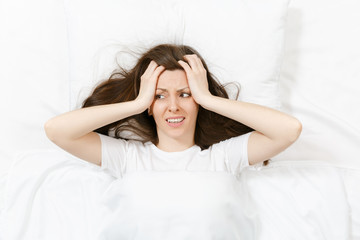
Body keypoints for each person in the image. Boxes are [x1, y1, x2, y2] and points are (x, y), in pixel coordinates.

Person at [44, 43, 302, 238]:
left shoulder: (222, 157)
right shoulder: (128, 158)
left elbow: (289, 130)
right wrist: (137, 102)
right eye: (160, 96)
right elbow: (57, 130)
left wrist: (208, 99)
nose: (173, 107)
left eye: (185, 94)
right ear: (149, 106)